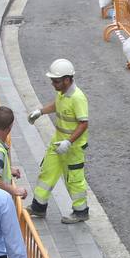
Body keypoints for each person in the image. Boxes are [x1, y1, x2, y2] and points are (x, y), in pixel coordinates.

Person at [27, 58, 90, 223]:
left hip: (73, 148)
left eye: (56, 81)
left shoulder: (78, 98)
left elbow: (83, 124)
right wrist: (40, 112)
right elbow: (56, 105)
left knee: (74, 180)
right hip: (58, 142)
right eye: (52, 81)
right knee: (47, 172)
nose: (53, 84)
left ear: (67, 79)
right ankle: (38, 207)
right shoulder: (62, 92)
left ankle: (81, 211)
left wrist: (69, 142)